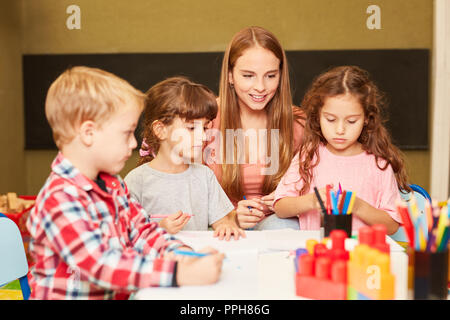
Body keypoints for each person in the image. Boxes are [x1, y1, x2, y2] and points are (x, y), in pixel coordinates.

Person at [26, 67, 224, 300]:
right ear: (88, 133)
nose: (133, 143)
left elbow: (141, 231)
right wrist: (178, 273)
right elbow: (99, 265)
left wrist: (183, 255)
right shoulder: (59, 198)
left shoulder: (112, 185)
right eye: (126, 133)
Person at [273, 66, 411, 235]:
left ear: (367, 119)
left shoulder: (378, 163)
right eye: (330, 119)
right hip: (317, 252)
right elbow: (280, 207)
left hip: (360, 254)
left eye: (351, 121)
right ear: (317, 116)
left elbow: (392, 226)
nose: (340, 130)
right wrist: (311, 201)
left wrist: (359, 206)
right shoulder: (309, 155)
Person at [204, 26, 305, 230]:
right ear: (230, 76)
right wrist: (229, 216)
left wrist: (286, 200)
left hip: (277, 225)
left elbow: (316, 190)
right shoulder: (206, 119)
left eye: (270, 76)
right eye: (248, 75)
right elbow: (184, 190)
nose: (260, 87)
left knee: (282, 227)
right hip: (221, 226)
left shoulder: (297, 122)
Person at [125, 76, 245, 240]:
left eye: (204, 127)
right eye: (191, 128)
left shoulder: (205, 176)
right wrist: (160, 229)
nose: (203, 137)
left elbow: (222, 222)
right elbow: (127, 234)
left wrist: (227, 225)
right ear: (160, 130)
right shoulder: (136, 181)